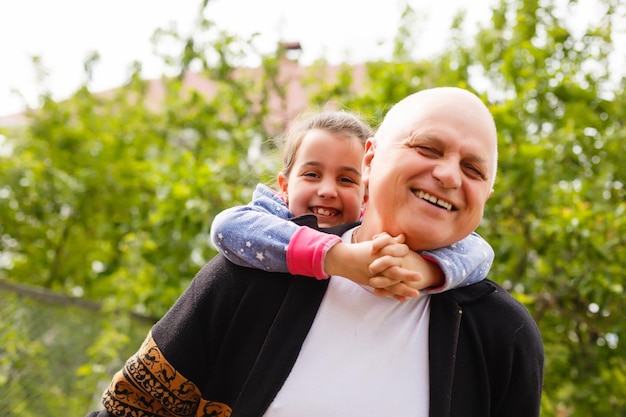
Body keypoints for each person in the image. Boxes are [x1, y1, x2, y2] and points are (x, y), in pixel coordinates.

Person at [86, 87, 544, 417]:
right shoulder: (250, 279)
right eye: (427, 147)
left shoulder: (504, 336)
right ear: (370, 159)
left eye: (473, 168)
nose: (448, 175)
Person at [210, 111, 495, 299]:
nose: (327, 190)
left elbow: (480, 251)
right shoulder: (273, 215)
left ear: (366, 192)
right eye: (312, 175)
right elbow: (227, 228)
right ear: (284, 187)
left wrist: (423, 270)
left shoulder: (369, 229)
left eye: (346, 179)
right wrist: (341, 259)